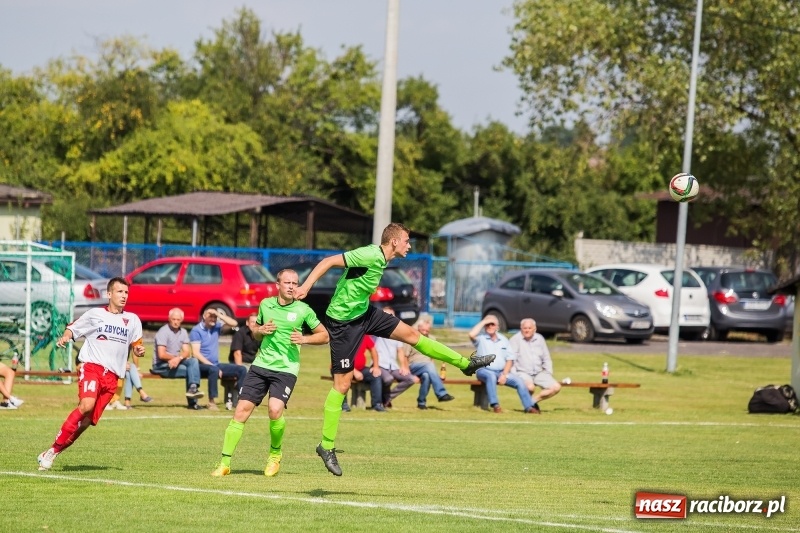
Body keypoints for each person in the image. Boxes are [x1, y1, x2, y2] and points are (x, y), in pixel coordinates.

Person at [293, 222, 496, 476]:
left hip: (364, 314)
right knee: (342, 386)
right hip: (343, 324)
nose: (409, 246)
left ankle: (466, 364)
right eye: (406, 241)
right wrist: (305, 287)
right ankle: (326, 446)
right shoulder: (369, 254)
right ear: (394, 242)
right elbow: (328, 261)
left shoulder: (383, 260)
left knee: (411, 334)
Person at [211, 269, 328, 477]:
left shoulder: (303, 310)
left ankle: (275, 455)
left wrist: (305, 339)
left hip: (286, 369)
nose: (292, 286)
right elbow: (256, 332)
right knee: (240, 411)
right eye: (287, 283)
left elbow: (324, 335)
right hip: (261, 366)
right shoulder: (266, 304)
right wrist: (260, 330)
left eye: (295, 283)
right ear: (278, 285)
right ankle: (224, 463)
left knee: (274, 410)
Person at [37, 277, 145, 471]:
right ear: (109, 294)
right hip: (92, 367)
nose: (124, 296)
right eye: (120, 292)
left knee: (86, 423)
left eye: (126, 292)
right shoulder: (95, 314)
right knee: (86, 405)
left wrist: (138, 350)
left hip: (112, 377)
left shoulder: (133, 320)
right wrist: (66, 337)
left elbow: (137, 344)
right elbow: (73, 328)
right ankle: (53, 451)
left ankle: (52, 452)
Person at [469, 314, 537, 414]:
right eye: (488, 325)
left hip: (501, 372)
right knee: (491, 376)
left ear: (497, 327)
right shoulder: (481, 339)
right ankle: (495, 405)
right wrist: (484, 321)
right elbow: (471, 335)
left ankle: (529, 407)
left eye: (493, 324)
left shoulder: (504, 340)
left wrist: (504, 374)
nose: (490, 327)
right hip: (483, 370)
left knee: (519, 381)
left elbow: (510, 359)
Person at [190, 308, 247, 410]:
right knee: (214, 369)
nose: (213, 318)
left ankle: (242, 399)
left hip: (215, 364)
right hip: (200, 366)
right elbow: (196, 354)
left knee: (241, 369)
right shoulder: (196, 330)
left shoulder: (216, 327)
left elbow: (234, 323)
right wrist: (211, 365)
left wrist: (219, 315)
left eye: (214, 317)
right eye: (210, 316)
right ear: (204, 316)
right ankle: (211, 402)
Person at [150, 308, 206, 410]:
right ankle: (193, 403)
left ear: (182, 320)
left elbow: (186, 351)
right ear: (169, 319)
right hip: (161, 366)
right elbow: (161, 354)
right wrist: (176, 358)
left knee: (193, 361)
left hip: (175, 363)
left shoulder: (183, 332)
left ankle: (193, 388)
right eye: (173, 319)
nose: (175, 322)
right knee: (191, 371)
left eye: (178, 320)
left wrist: (178, 359)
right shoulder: (163, 332)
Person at [509, 318, 561, 414]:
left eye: (529, 328)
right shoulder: (515, 340)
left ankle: (531, 401)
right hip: (522, 372)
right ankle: (530, 407)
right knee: (530, 387)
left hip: (538, 372)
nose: (527, 330)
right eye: (525, 328)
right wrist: (514, 375)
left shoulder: (540, 339)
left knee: (556, 387)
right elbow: (511, 359)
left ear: (534, 329)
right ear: (521, 329)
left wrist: (548, 372)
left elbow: (546, 357)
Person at [404, 314, 455, 410]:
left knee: (426, 376)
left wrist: (435, 372)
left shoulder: (432, 339)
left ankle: (421, 402)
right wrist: (406, 369)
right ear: (419, 328)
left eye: (427, 330)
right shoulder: (412, 337)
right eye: (423, 330)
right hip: (413, 365)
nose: (425, 332)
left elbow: (432, 356)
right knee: (428, 365)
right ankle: (441, 393)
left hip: (428, 366)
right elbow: (405, 356)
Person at [374, 308, 417, 407]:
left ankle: (387, 398)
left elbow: (400, 350)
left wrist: (403, 366)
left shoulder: (397, 334)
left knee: (411, 379)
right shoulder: (376, 330)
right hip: (381, 364)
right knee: (388, 379)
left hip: (393, 366)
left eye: (391, 315)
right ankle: (385, 400)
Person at [347, 334, 385, 412]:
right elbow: (340, 357)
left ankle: (377, 405)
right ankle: (343, 406)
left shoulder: (364, 336)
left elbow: (373, 350)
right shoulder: (345, 336)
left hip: (361, 369)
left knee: (376, 375)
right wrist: (353, 371)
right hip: (343, 368)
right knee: (342, 379)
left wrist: (376, 366)